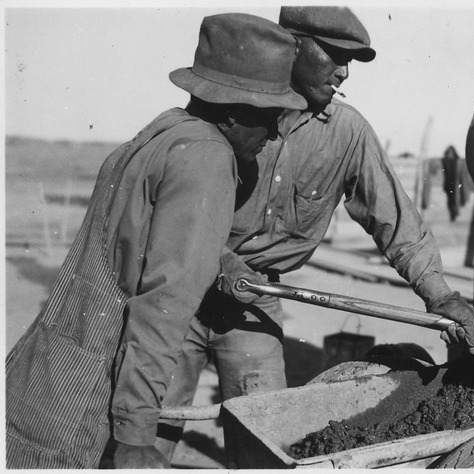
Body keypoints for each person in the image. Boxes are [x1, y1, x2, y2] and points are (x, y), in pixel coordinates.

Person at [155, 6, 474, 462]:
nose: (345, 72)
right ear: (293, 44)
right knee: (146, 431)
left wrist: (441, 296)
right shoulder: (226, 108)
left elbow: (396, 223)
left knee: (266, 443)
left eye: (352, 61)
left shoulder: (348, 133)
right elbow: (166, 211)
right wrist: (220, 260)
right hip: (178, 295)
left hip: (252, 307)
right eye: (334, 55)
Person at [5, 13, 305, 469]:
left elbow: (136, 239)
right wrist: (137, 434)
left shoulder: (166, 130)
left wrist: (218, 260)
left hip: (41, 373)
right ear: (232, 109)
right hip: (84, 399)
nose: (276, 133)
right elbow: (162, 307)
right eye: (272, 116)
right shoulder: (208, 158)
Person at [441, 145, 471, 222]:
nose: (450, 154)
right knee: (450, 201)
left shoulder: (457, 161)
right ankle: (452, 214)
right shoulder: (445, 161)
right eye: (449, 153)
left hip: (455, 183)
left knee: (456, 199)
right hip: (448, 184)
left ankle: (454, 214)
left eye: (451, 152)